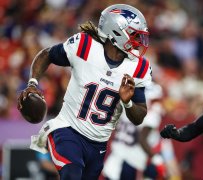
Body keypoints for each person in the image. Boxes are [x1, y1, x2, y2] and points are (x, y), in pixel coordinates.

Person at [17, 4, 152, 179]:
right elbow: (47, 54)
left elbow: (139, 116)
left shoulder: (139, 67)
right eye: (134, 35)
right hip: (67, 129)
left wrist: (127, 102)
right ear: (116, 32)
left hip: (98, 145)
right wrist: (33, 83)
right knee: (72, 173)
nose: (139, 41)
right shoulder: (84, 46)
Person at [102, 82, 181, 180]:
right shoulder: (151, 115)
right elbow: (142, 139)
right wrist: (156, 158)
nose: (158, 104)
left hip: (114, 158)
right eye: (155, 100)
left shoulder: (126, 107)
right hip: (132, 160)